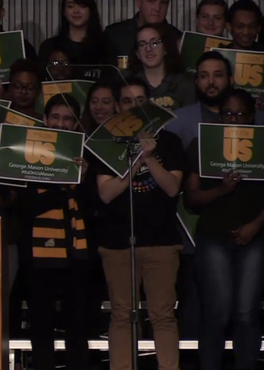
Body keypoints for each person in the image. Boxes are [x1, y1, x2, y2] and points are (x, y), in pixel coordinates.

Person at [95, 82, 187, 370]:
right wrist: (136, 159)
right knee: (122, 315)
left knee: (162, 315)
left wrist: (149, 156)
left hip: (161, 241)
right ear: (119, 107)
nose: (134, 106)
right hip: (118, 242)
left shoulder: (169, 141)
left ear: (150, 104)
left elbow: (172, 188)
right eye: (127, 101)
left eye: (140, 100)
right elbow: (107, 193)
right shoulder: (107, 142)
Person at [185, 89, 264, 370]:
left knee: (246, 313)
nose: (234, 118)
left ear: (252, 116)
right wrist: (221, 189)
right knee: (216, 314)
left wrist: (255, 226)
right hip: (213, 238)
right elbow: (191, 198)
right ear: (219, 116)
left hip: (254, 238)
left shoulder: (262, 144)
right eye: (228, 113)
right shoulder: (201, 144)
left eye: (240, 114)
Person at [17, 93, 91, 370]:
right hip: (38, 254)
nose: (61, 124)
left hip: (77, 253)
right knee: (42, 328)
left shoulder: (85, 157)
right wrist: (62, 182)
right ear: (45, 120)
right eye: (56, 117)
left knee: (77, 328)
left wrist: (84, 180)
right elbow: (24, 207)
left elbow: (96, 207)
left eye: (68, 119)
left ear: (76, 124)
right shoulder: (27, 154)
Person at [126, 23, 194, 111]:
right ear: (137, 53)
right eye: (142, 44)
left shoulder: (184, 85)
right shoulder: (128, 84)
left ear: (165, 48)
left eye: (154, 43)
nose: (148, 49)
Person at [103, 0, 182, 68]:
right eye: (151, 1)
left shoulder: (176, 38)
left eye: (163, 2)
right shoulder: (115, 34)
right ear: (138, 1)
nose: (157, 8)